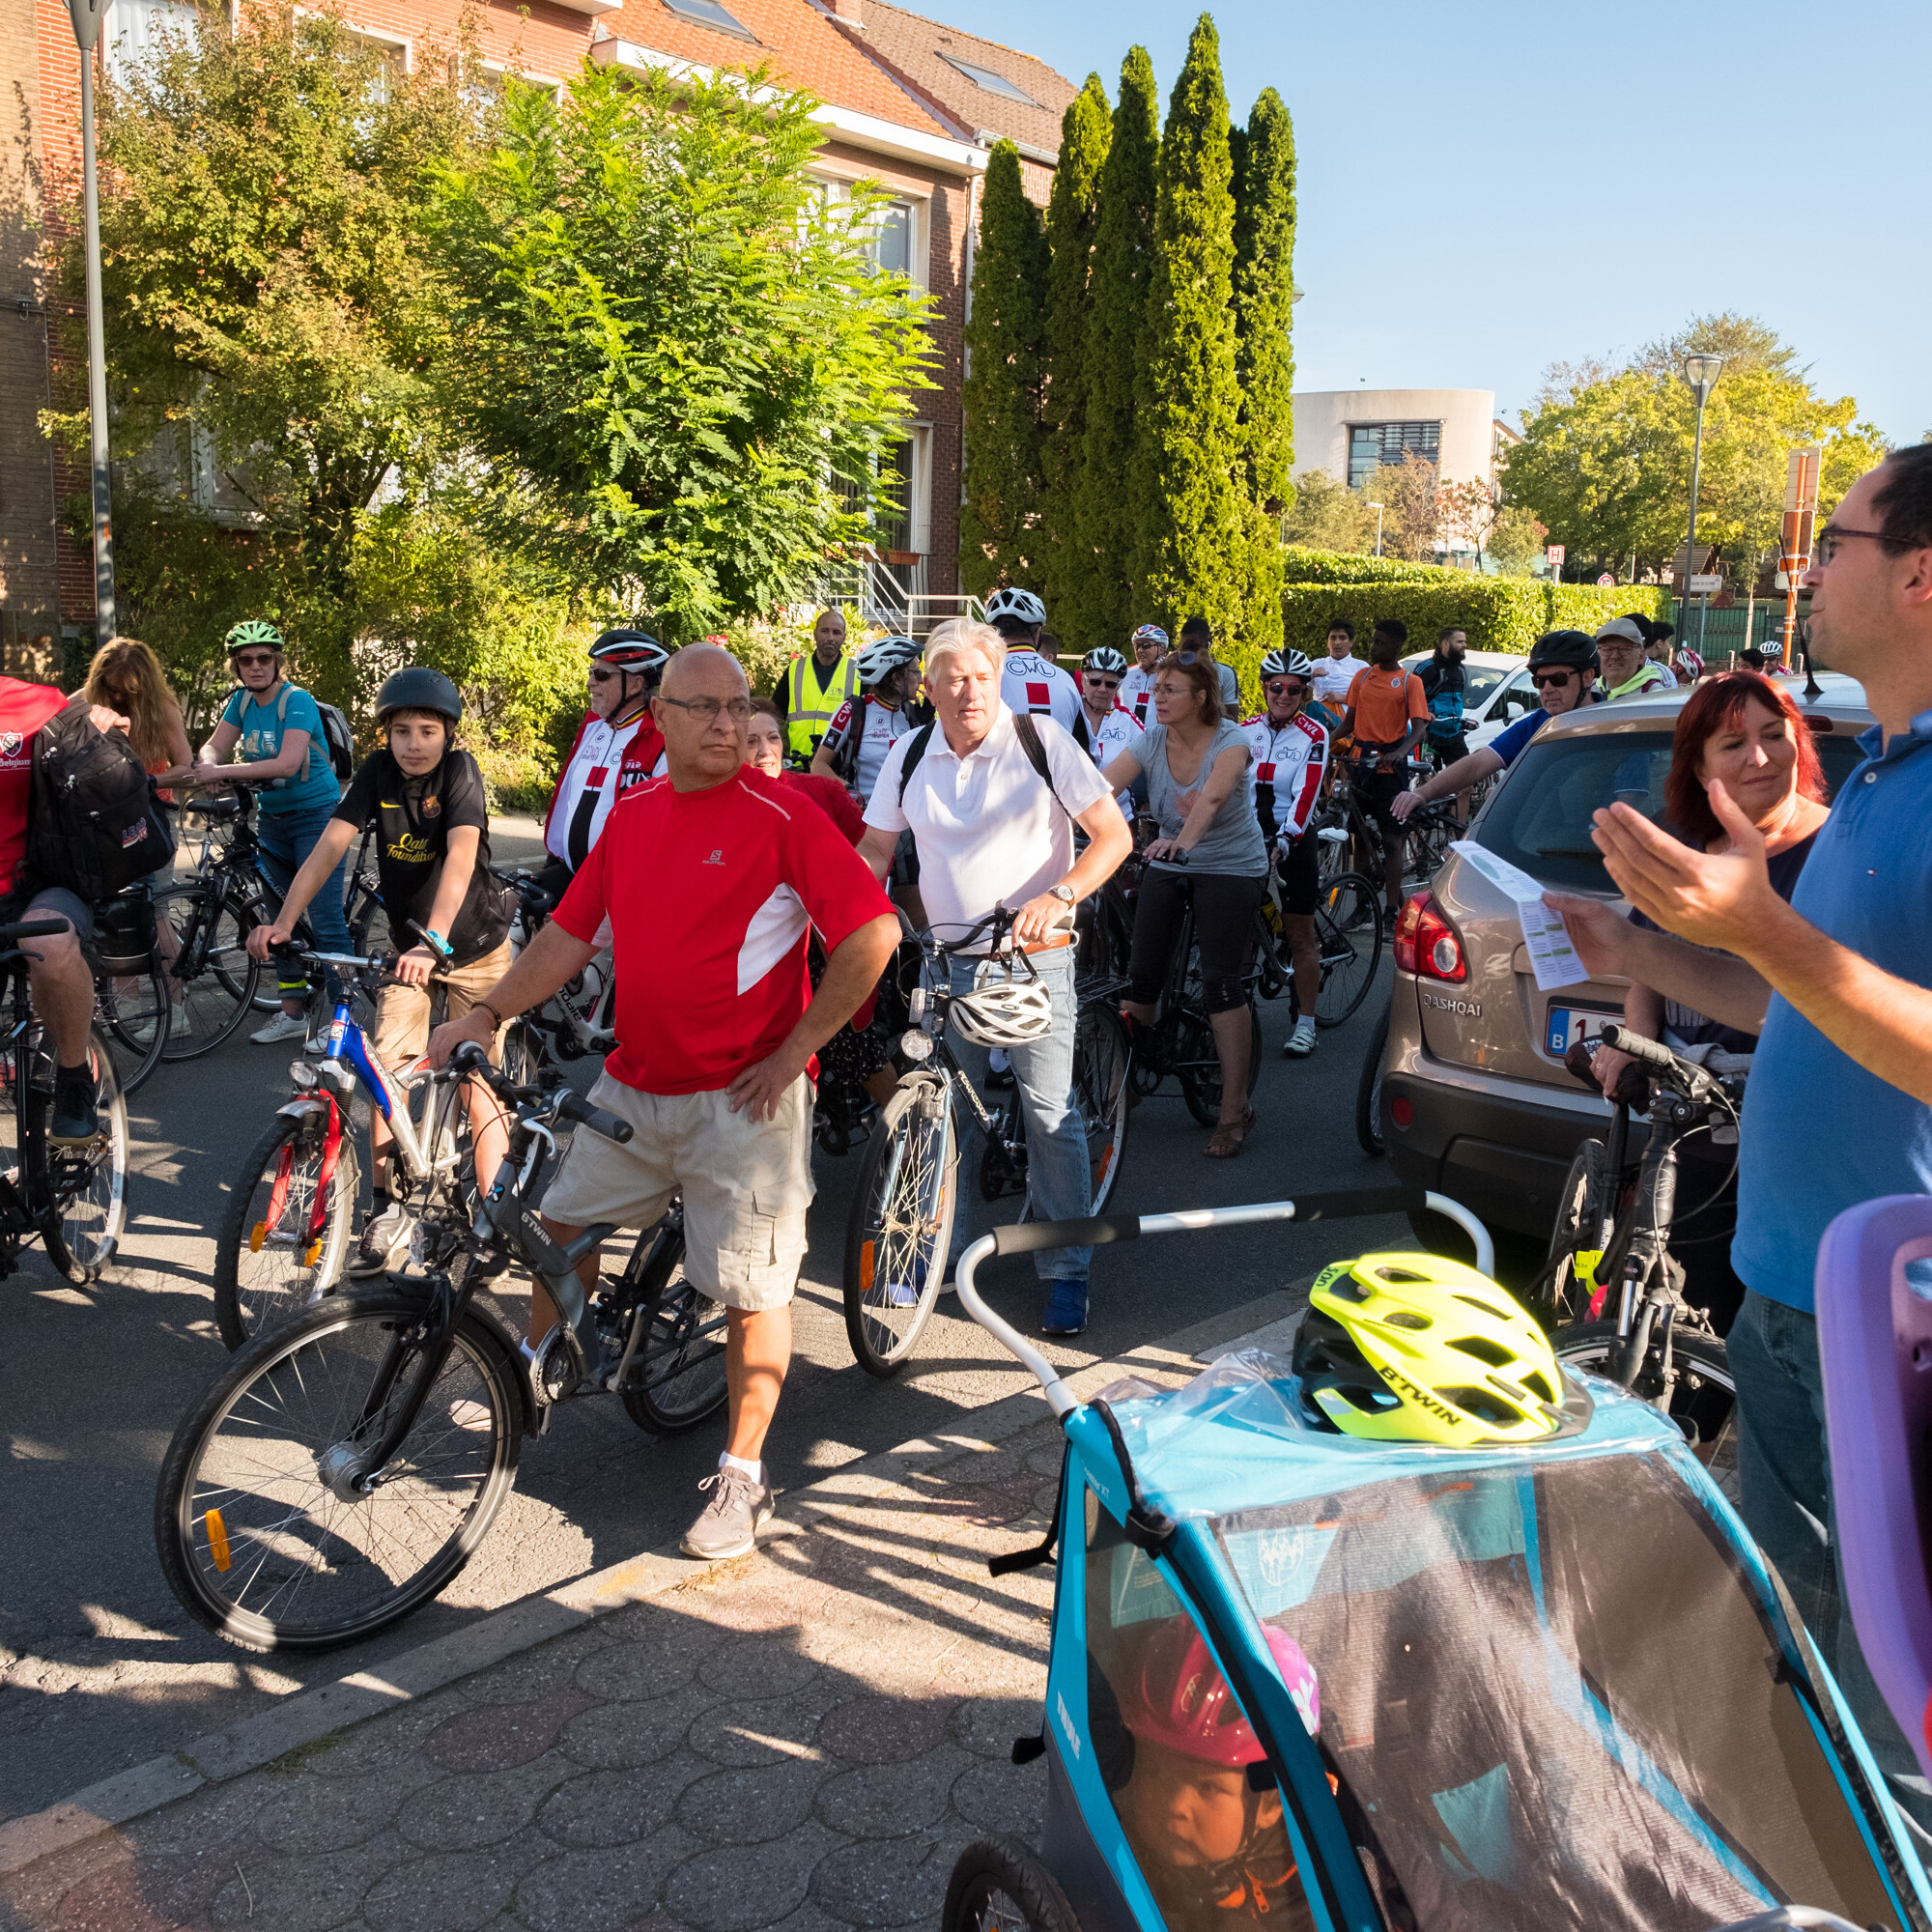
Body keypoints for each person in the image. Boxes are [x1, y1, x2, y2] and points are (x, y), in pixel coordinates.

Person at [1544, 444, 1932, 1833]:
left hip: (1896, 1331)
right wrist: (1642, 950)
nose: (1806, 570)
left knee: (1897, 1708)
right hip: (1787, 1293)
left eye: (1835, 544)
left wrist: (1758, 920)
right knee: (1809, 1658)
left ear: (1918, 574)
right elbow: (1804, 1005)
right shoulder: (1883, 775)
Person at [431, 644, 900, 1560]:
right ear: (662, 718)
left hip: (746, 1102)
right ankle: (534, 1374)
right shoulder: (634, 814)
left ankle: (742, 1475)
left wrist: (797, 1051)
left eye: (739, 706)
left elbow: (873, 931)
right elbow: (570, 936)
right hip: (637, 1084)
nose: (728, 724)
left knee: (754, 1290)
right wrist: (486, 1013)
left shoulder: (783, 816)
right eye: (705, 707)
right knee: (558, 1229)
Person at [859, 618, 1129, 1337]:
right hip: (948, 959)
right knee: (943, 1110)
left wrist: (1061, 895)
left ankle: (1067, 1270)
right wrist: (851, 907)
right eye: (954, 679)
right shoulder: (911, 752)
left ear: (999, 678)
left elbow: (1114, 837)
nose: (970, 692)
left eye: (982, 677)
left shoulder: (1040, 740)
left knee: (1048, 1113)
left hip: (1035, 958)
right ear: (930, 686)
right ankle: (939, 1254)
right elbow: (877, 847)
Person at [1583, 670, 1831, 1335]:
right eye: (1733, 743)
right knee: (1686, 1318)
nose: (1760, 757)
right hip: (1691, 1129)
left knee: (1773, 1332)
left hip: (1791, 1141)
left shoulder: (1832, 851)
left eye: (1775, 735)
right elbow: (1646, 968)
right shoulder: (1690, 849)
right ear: (1697, 766)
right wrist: (1635, 1045)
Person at [246, 669, 515, 1275]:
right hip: (404, 952)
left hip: (473, 946)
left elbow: (461, 856)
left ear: (447, 734)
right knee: (386, 1077)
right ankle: (386, 1207)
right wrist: (283, 921)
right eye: (401, 731)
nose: (413, 743)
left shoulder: (459, 772)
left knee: (477, 1086)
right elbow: (329, 847)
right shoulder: (376, 773)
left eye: (427, 731)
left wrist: (433, 941)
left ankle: (496, 1217)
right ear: (386, 735)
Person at [1103, 652, 1269, 1159]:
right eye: (1156, 689)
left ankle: (1234, 1109)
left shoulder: (1232, 740)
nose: (1158, 698)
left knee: (1221, 982)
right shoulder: (1151, 739)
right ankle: (1128, 1083)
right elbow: (1101, 788)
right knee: (1140, 978)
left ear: (1200, 697)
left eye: (1170, 690)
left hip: (1231, 864)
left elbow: (1212, 799)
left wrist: (1184, 843)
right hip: (1170, 857)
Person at [193, 619, 351, 1045]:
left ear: (277, 661)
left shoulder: (296, 700)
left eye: (264, 658)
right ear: (237, 667)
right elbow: (215, 745)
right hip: (272, 819)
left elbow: (287, 762)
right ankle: (293, 1013)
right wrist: (208, 762)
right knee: (278, 918)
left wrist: (221, 772)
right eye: (246, 660)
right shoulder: (242, 701)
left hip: (316, 816)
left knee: (325, 918)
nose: (255, 666)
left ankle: (344, 1021)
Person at [1113, 1617, 1321, 1932]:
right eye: (1154, 1773)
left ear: (1272, 1804)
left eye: (1208, 1788)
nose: (1175, 1806)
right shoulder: (1123, 1849)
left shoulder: (1315, 1889)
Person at [0, 676, 135, 1142]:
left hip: (43, 880)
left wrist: (103, 733)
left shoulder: (37, 703)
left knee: (48, 937)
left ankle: (75, 1078)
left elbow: (102, 753)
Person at [748, 698, 896, 1113]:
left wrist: (840, 883)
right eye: (751, 741)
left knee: (849, 1045)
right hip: (761, 947)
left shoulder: (819, 791)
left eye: (772, 738)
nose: (765, 751)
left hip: (826, 941)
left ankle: (904, 1125)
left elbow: (874, 849)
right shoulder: (726, 804)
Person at [1391, 629, 1601, 824]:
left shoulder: (1612, 723)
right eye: (1539, 681)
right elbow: (1477, 764)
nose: (1546, 689)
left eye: (1558, 679)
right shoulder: (1535, 725)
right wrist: (1422, 794)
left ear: (1588, 677)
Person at [540, 631, 672, 899]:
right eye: (591, 672)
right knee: (509, 899)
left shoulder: (661, 738)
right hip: (573, 873)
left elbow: (662, 826)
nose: (590, 682)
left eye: (601, 674)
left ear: (635, 684)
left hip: (621, 887)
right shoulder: (592, 725)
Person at [1242, 649, 1327, 1061]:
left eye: (1294, 689)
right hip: (1246, 838)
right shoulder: (1244, 731)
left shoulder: (1314, 734)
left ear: (1304, 693)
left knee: (1299, 936)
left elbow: (1305, 794)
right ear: (1264, 688)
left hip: (1291, 837)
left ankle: (1306, 1025)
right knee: (1240, 929)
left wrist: (1286, 838)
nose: (1284, 695)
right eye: (1276, 687)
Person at [1339, 621, 1427, 925]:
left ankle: (1391, 911)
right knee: (1360, 839)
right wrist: (1320, 742)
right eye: (1373, 640)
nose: (1373, 647)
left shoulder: (1409, 682)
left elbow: (1420, 727)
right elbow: (1348, 723)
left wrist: (1402, 751)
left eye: (1380, 643)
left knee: (1391, 840)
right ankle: (1362, 905)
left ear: (1396, 647)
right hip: (1360, 765)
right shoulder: (1362, 677)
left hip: (1390, 769)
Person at [811, 635, 921, 805]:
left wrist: (930, 718)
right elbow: (818, 765)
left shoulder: (910, 714)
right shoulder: (852, 711)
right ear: (897, 679)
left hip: (906, 815)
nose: (921, 678)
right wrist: (849, 791)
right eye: (916, 671)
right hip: (866, 815)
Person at [80, 637, 192, 801]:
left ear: (145, 687)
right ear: (100, 681)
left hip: (153, 803)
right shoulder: (87, 698)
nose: (118, 698)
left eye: (128, 692)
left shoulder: (162, 707)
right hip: (104, 804)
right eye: (112, 689)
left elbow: (188, 771)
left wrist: (144, 781)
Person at [985, 587, 1087, 745]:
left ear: (995, 631)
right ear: (1038, 631)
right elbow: (1085, 748)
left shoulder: (986, 676)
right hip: (1057, 761)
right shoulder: (1066, 680)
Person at [777, 608, 858, 765]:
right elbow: (774, 714)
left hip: (838, 768)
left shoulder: (856, 672)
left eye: (836, 633)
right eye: (825, 631)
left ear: (844, 637)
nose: (830, 638)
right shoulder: (795, 669)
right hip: (799, 764)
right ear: (815, 634)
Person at [1076, 646, 1143, 820]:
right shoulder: (1069, 711)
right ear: (1083, 681)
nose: (1102, 689)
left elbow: (1154, 749)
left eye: (1110, 684)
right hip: (1074, 816)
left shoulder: (1127, 719)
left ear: (1118, 687)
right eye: (1095, 682)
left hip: (1118, 816)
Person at [1415, 625, 1473, 821]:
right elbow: (1408, 697)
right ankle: (1422, 827)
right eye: (1460, 641)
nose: (1464, 645)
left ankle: (1460, 833)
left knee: (1466, 786)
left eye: (1465, 641)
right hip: (1430, 736)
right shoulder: (1427, 668)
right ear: (1446, 644)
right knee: (1428, 786)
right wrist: (1424, 713)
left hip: (1454, 736)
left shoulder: (1461, 670)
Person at [1177, 615, 1242, 714]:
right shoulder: (1174, 671)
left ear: (1209, 643)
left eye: (1196, 647)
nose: (1192, 653)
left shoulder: (1225, 673)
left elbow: (1232, 718)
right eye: (1187, 648)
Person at [1594, 617, 1671, 699]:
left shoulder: (1655, 698)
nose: (1615, 656)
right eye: (1607, 649)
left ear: (1641, 656)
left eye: (1624, 649)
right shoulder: (1590, 690)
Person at [1309, 618, 1367, 724]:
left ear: (1351, 642)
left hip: (1351, 724)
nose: (1337, 642)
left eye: (1342, 638)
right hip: (1317, 722)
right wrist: (1311, 675)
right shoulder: (1316, 664)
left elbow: (1370, 699)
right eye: (1333, 638)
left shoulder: (1361, 667)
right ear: (1327, 643)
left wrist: (1344, 699)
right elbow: (1296, 685)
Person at [1120, 625, 1167, 727]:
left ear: (1161, 649)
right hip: (1129, 735)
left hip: (1159, 735)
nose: (1140, 650)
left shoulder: (1171, 676)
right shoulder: (1124, 674)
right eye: (1137, 646)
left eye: (1146, 645)